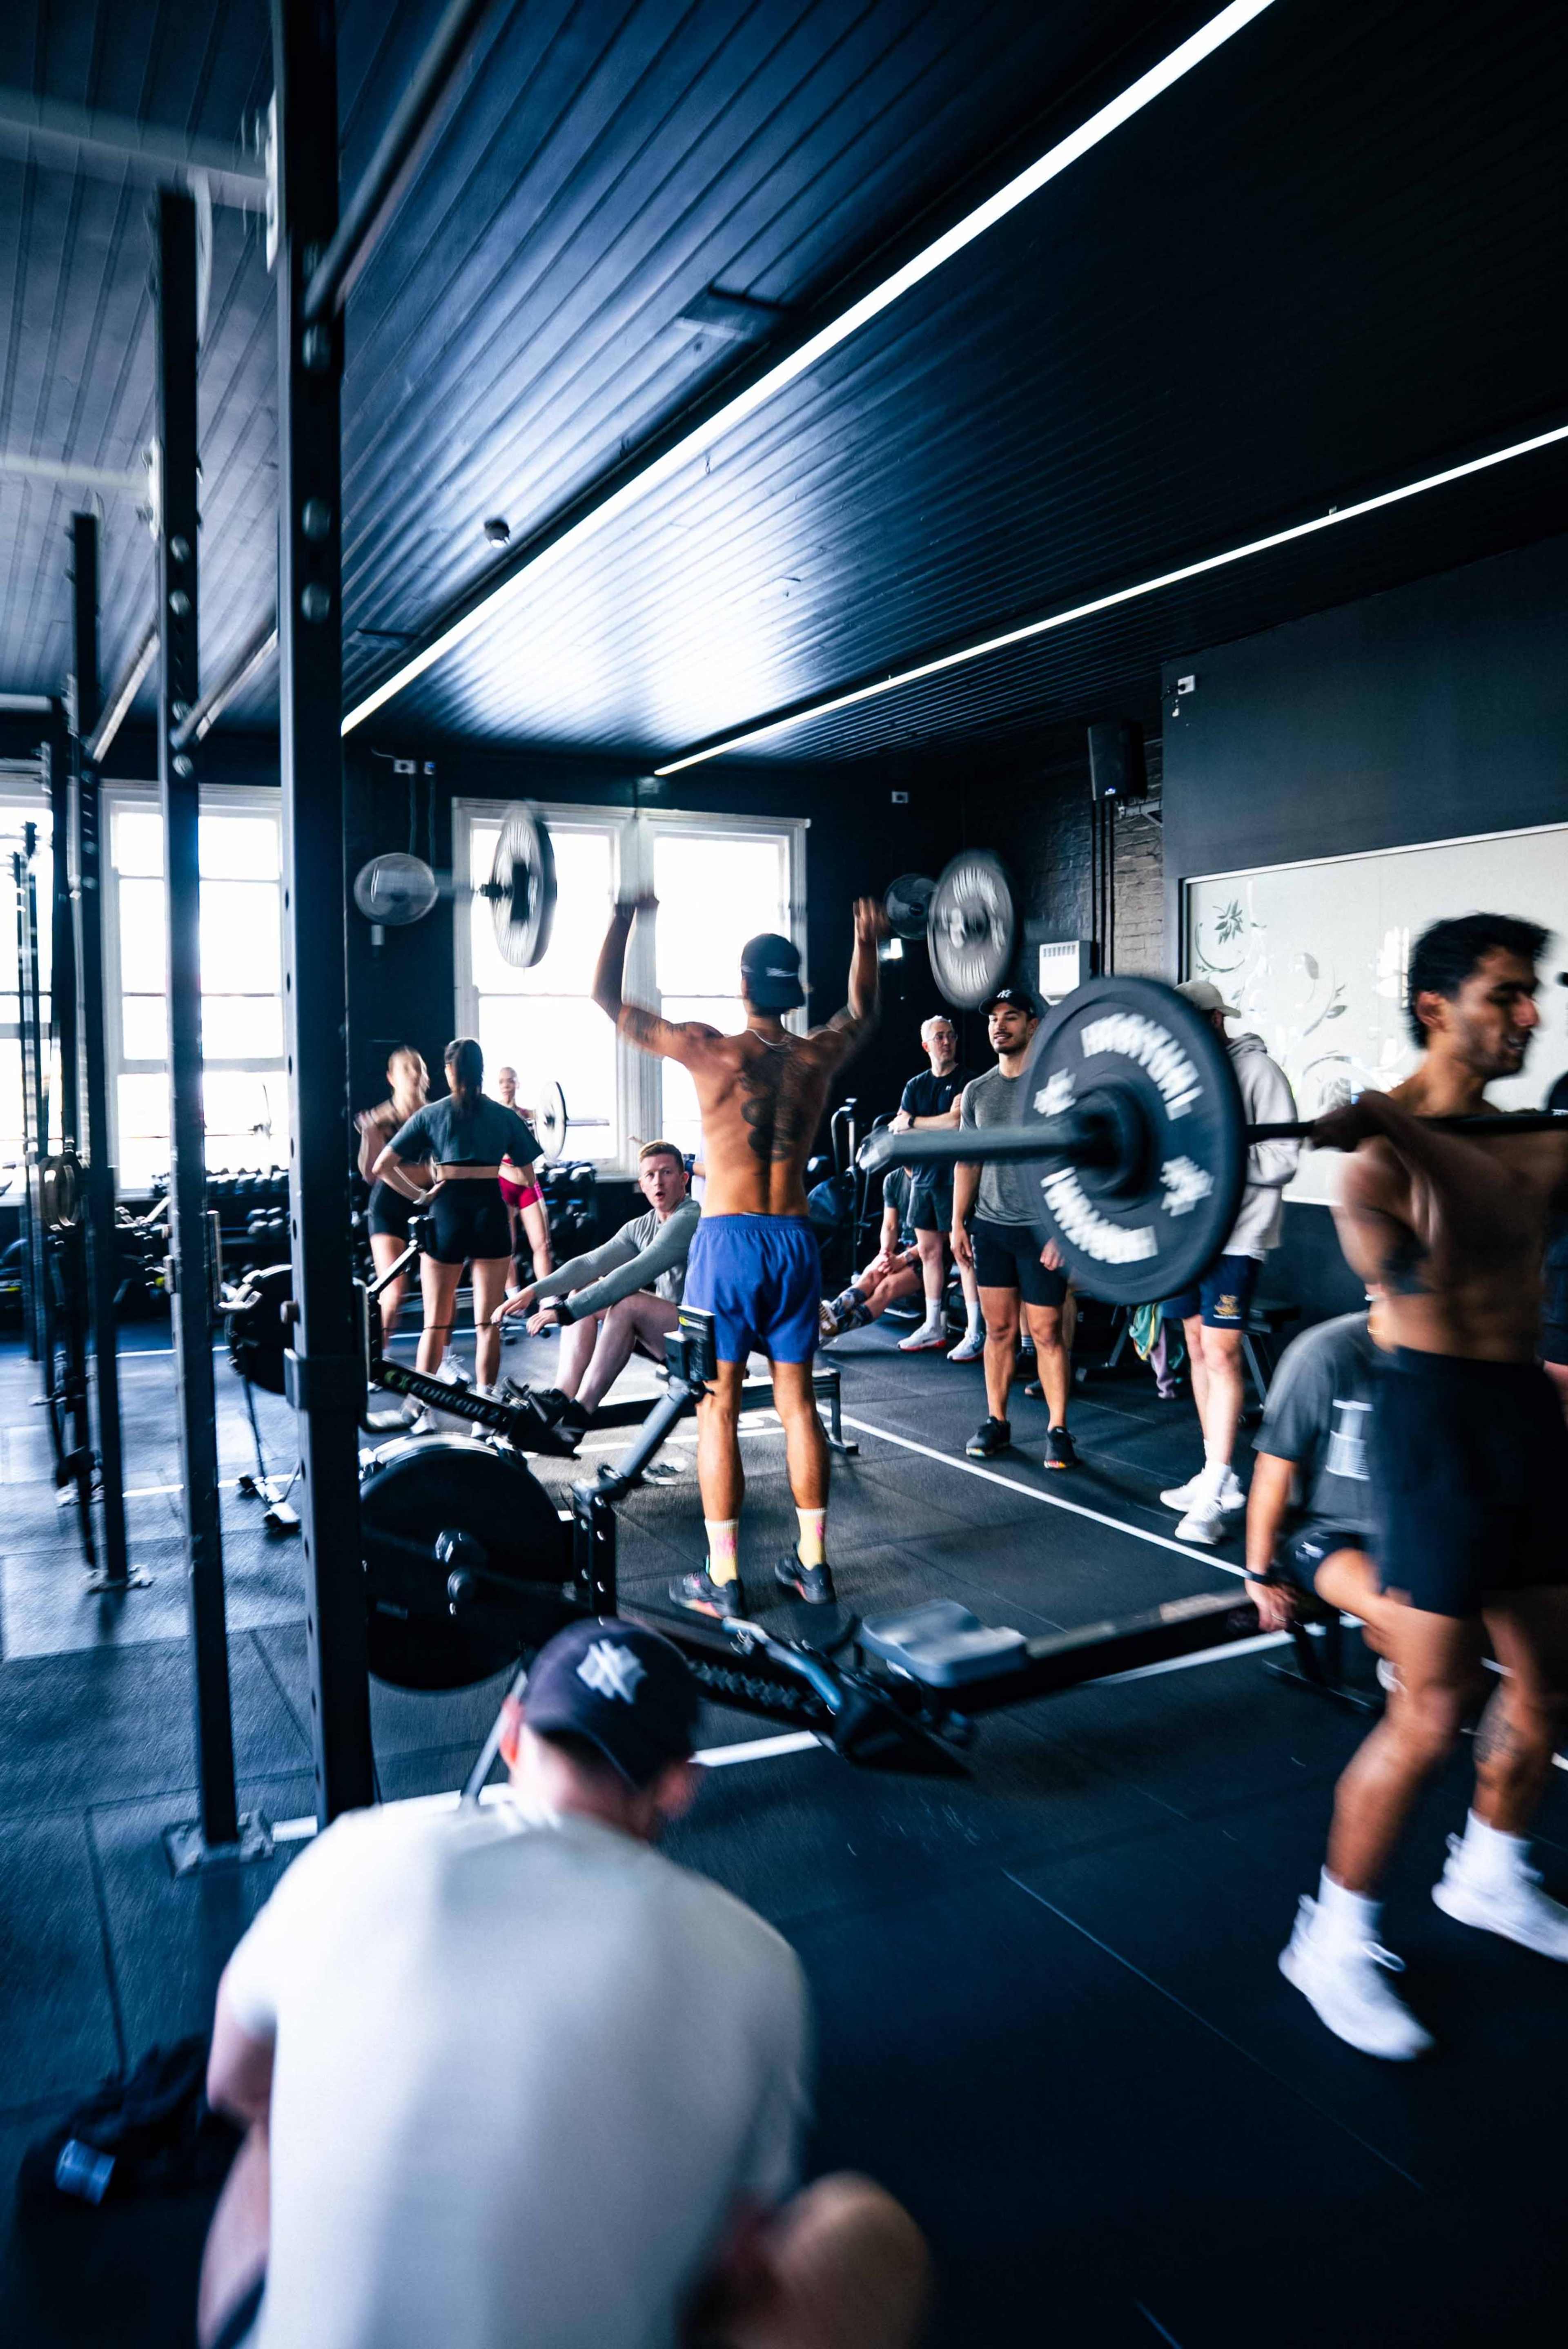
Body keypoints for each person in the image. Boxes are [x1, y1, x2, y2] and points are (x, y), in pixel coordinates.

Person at [196, 1618, 929, 2349]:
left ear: (513, 1734)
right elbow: (729, 2253)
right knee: (862, 2232)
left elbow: (229, 2083)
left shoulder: (355, 1852)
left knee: (271, 2120)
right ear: (680, 1785)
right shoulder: (761, 1960)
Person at [1278, 913, 1568, 2061]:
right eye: (1506, 993)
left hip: (1524, 1412)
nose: (1530, 1015)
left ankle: (1488, 1870)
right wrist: (1391, 1121)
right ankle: (1331, 1936)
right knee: (1433, 1704)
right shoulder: (1372, 1165)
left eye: (1534, 992)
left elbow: (1512, 1186)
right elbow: (1451, 1244)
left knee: (1549, 1675)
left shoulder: (1505, 1134)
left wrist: (1392, 1111)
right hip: (1434, 1422)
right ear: (1436, 1005)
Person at [594, 899, 884, 1616]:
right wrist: (865, 942)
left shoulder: (710, 1048)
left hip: (728, 1244)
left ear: (744, 985)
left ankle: (723, 1577)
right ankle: (813, 1564)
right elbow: (863, 1011)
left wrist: (623, 916)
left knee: (718, 1406)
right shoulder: (816, 1056)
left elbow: (606, 999)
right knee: (797, 1404)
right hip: (795, 1240)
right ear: (794, 990)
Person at [1158, 979, 1300, 1545]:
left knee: (1221, 1352)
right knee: (1196, 1346)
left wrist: (1220, 1156)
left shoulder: (1258, 1071)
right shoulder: (1180, 1076)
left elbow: (1285, 1157)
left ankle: (1215, 1489)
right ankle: (1216, 1470)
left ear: (1215, 1020)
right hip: (1189, 1236)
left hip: (1238, 1235)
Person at [950, 986, 1076, 1470]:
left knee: (1046, 1332)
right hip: (993, 1225)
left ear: (1032, 1025)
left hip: (1042, 1231)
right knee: (999, 1329)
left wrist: (1063, 1231)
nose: (999, 1026)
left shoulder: (1056, 1088)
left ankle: (1058, 1430)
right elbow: (968, 1161)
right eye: (993, 1019)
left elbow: (1075, 1163)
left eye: (1011, 1017)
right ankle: (996, 1421)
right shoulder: (978, 1092)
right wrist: (958, 1222)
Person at [370, 1038, 541, 1394]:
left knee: (434, 1323)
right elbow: (527, 1178)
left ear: (449, 1072)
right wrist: (489, 1168)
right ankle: (485, 1410)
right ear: (481, 1071)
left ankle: (422, 1410)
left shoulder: (431, 1114)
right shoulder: (505, 1116)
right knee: (488, 1324)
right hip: (490, 1216)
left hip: (447, 1216)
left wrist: (421, 1195)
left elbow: (381, 1166)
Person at [494, 1140, 699, 1434]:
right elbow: (591, 1263)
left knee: (627, 1304)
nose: (658, 1182)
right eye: (650, 1175)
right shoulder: (642, 1226)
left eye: (666, 1172)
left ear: (684, 1179)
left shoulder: (689, 1218)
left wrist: (564, 1312)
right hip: (671, 1334)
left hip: (702, 1337)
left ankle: (580, 1415)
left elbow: (634, 1274)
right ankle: (560, 1398)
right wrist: (535, 1291)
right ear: (641, 1184)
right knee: (583, 1291)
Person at [1243, 1298, 1403, 1659]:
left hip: (1413, 1532)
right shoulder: (1323, 1352)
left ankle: (1409, 1675)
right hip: (1327, 1532)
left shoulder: (1456, 1354)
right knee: (1407, 1616)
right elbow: (1273, 1470)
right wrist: (1258, 1573)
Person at [889, 1013, 982, 1359]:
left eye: (951, 1035)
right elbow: (899, 1132)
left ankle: (976, 1331)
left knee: (963, 1253)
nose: (946, 1042)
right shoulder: (915, 1086)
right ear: (926, 1045)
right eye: (939, 1037)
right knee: (929, 1252)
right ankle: (934, 1325)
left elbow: (956, 1123)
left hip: (956, 1177)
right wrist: (929, 1124)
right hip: (923, 1178)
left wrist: (914, 1122)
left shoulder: (968, 1082)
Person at [355, 1047, 430, 1347]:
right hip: (388, 1209)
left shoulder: (435, 1115)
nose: (415, 1074)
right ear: (392, 1078)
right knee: (393, 1292)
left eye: (419, 1067)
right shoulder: (380, 1120)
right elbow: (371, 1174)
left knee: (441, 1290)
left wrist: (406, 1172)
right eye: (407, 1068)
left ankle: (443, 1360)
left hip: (428, 1209)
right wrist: (369, 1134)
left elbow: (438, 1172)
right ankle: (376, 1358)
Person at [820, 1162, 923, 1341]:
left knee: (886, 1288)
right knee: (870, 1276)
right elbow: (890, 1226)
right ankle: (829, 1316)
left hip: (929, 1256)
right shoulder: (893, 1179)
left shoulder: (933, 1179)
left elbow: (939, 1240)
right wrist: (886, 1253)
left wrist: (902, 1260)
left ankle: (834, 1329)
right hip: (902, 1249)